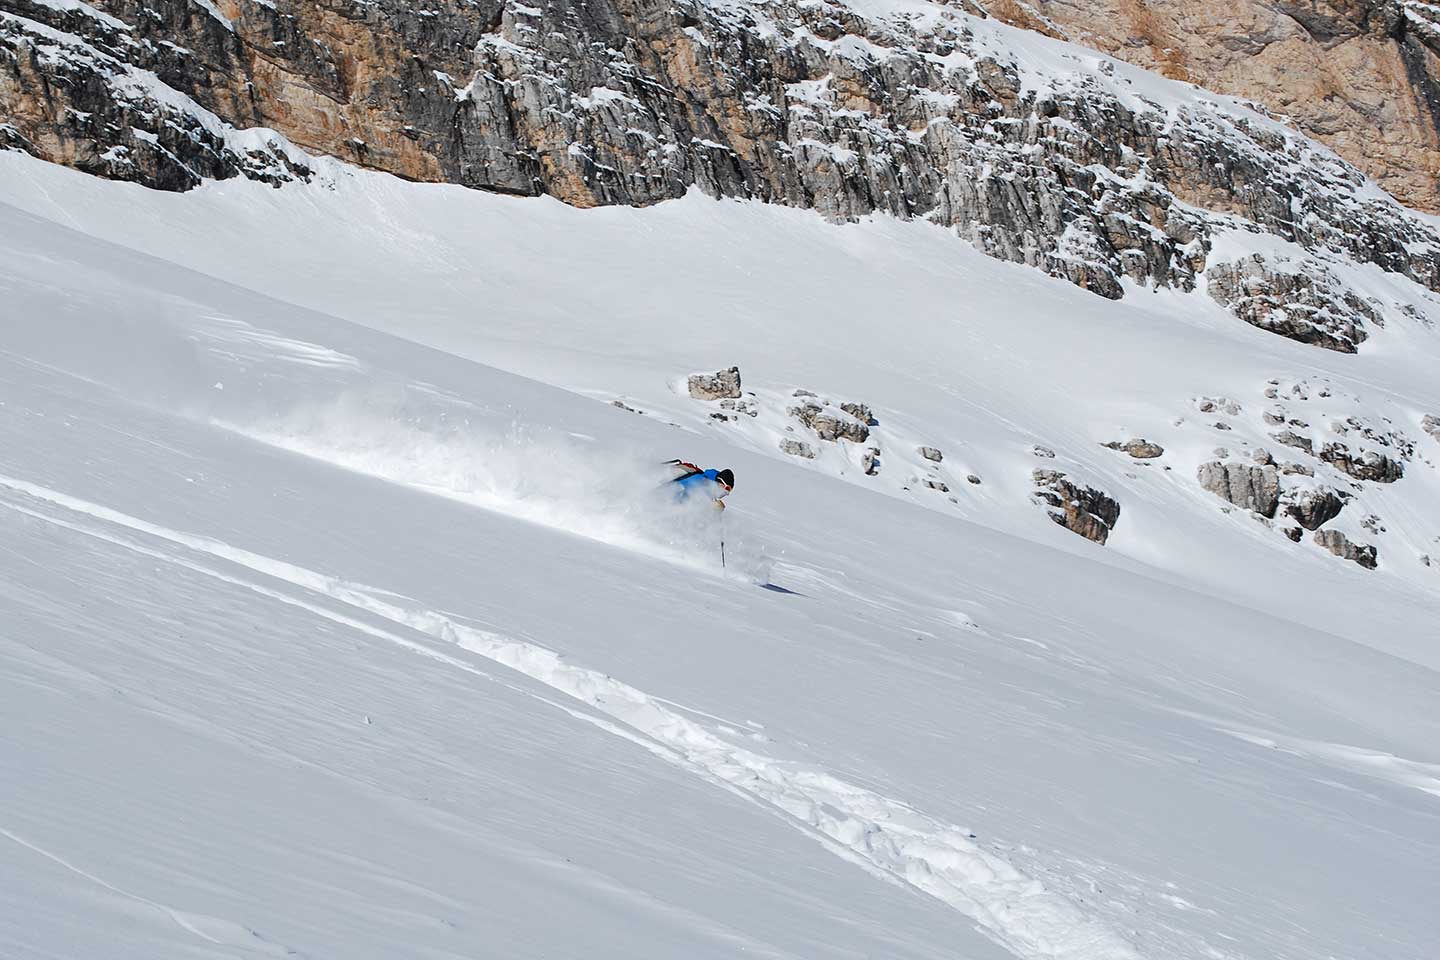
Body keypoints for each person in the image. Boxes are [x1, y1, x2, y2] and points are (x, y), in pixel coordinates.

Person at [668, 460, 735, 509]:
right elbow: (679, 502)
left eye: (728, 492)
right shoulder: (699, 481)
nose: (725, 493)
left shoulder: (708, 490)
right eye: (726, 489)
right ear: (720, 482)